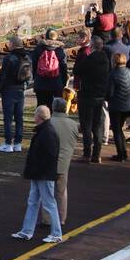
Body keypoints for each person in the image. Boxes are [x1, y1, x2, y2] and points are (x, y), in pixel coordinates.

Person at [13, 106, 63, 243]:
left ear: (38, 117)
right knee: (34, 201)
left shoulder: (46, 133)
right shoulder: (47, 131)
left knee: (48, 203)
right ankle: (27, 231)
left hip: (43, 174)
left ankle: (56, 233)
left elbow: (50, 156)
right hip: (40, 173)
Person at [73, 36, 110, 163]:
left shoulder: (89, 59)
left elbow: (76, 70)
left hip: (87, 95)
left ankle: (86, 153)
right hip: (100, 96)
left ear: (92, 46)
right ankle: (96, 154)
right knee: (97, 125)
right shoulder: (106, 60)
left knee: (86, 125)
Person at [47, 96, 79, 231]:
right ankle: (62, 218)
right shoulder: (73, 125)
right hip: (64, 162)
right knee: (62, 191)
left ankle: (47, 218)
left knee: (47, 193)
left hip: (49, 163)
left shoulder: (48, 123)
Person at [0, 36, 32, 152]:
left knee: (8, 118)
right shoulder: (27, 57)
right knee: (19, 118)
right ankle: (18, 143)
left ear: (12, 44)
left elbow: (4, 76)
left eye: (9, 43)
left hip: (9, 91)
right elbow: (29, 75)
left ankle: (8, 143)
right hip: (21, 90)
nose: (8, 45)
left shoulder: (9, 58)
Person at [106, 52, 130, 162]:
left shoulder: (113, 74)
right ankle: (123, 152)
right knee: (119, 129)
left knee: (117, 130)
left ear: (114, 62)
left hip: (115, 106)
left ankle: (121, 154)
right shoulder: (129, 71)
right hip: (127, 105)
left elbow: (110, 93)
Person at [30, 28, 69, 112]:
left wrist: (35, 78)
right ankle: (53, 124)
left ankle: (42, 123)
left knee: (41, 106)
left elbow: (34, 65)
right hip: (56, 83)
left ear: (46, 37)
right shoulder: (60, 50)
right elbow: (63, 68)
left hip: (40, 83)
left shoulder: (38, 49)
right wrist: (63, 82)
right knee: (56, 108)